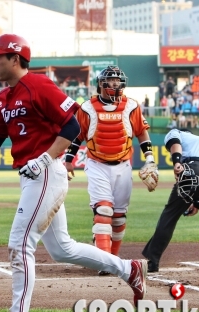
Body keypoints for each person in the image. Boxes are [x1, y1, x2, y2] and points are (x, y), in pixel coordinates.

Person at [0, 34, 147, 312]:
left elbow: (71, 126)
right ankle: (129, 269)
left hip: (45, 173)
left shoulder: (39, 85)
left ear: (15, 59)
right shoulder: (4, 97)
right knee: (63, 249)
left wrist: (45, 159)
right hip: (31, 174)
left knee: (20, 243)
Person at [64, 66, 158, 276]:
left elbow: (142, 134)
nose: (116, 85)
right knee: (103, 210)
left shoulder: (131, 106)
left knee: (118, 217)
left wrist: (150, 160)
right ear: (101, 84)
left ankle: (113, 258)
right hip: (97, 164)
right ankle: (105, 262)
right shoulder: (87, 108)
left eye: (118, 81)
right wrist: (69, 160)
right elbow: (77, 136)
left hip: (123, 165)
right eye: (111, 81)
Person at [142, 129, 199, 273]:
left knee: (170, 214)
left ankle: (153, 261)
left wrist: (177, 161)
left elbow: (174, 142)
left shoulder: (176, 132)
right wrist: (196, 202)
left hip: (195, 169)